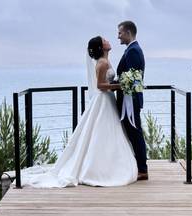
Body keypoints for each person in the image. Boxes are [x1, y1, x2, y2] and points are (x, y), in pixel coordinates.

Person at [19, 36, 138, 187]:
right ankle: (98, 169)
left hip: (108, 100)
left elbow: (106, 82)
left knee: (106, 132)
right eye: (104, 40)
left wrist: (115, 84)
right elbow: (100, 86)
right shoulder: (102, 63)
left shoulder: (105, 61)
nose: (108, 40)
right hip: (103, 99)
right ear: (101, 47)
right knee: (102, 132)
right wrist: (119, 86)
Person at [116, 20, 148, 180]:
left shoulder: (134, 51)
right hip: (129, 99)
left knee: (135, 133)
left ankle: (143, 169)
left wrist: (115, 85)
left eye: (120, 33)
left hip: (131, 100)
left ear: (128, 33)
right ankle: (137, 165)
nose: (118, 36)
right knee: (132, 133)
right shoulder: (131, 49)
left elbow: (134, 78)